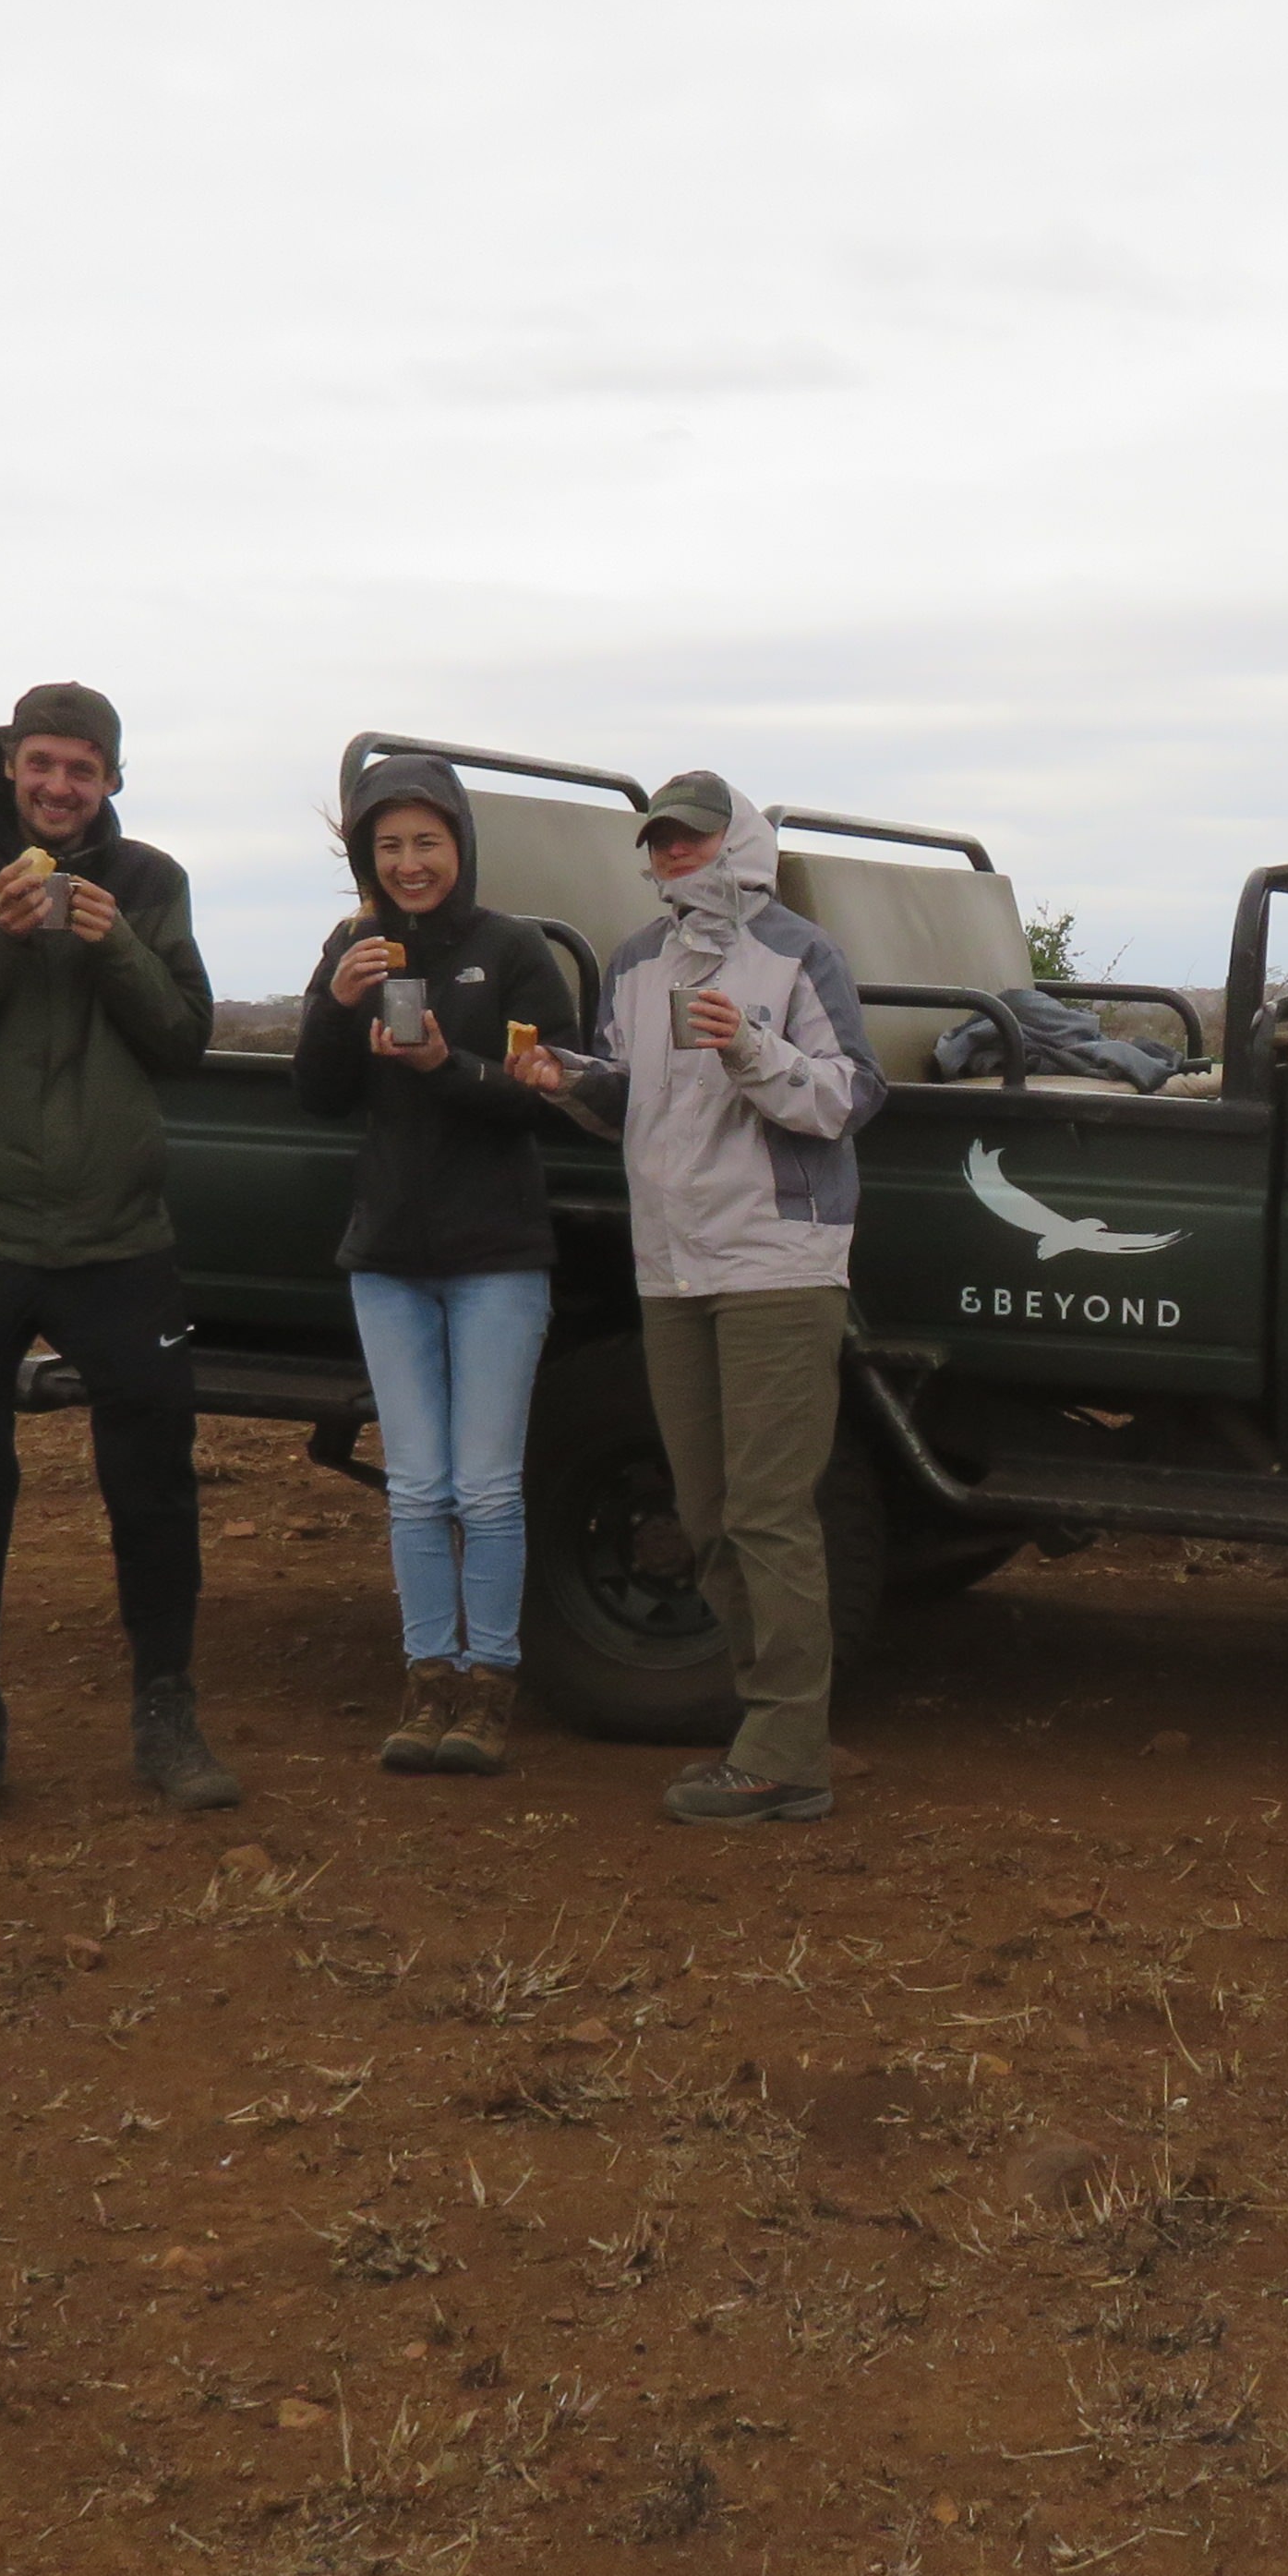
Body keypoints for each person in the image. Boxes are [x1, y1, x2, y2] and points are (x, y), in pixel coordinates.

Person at [0, 681, 241, 1828]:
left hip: (117, 1232)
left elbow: (183, 1037)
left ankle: (166, 1708)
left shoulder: (150, 884)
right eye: (42, 764)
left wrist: (116, 943)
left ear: (111, 782)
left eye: (83, 769)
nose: (59, 787)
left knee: (154, 1475)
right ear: (10, 765)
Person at [508, 770, 882, 1824]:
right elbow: (633, 1095)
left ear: (738, 842)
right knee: (710, 1511)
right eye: (663, 841)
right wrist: (568, 1081)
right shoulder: (636, 961)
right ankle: (768, 1726)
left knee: (769, 1511)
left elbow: (850, 1096)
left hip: (776, 1260)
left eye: (694, 838)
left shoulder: (801, 955)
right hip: (671, 1265)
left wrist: (750, 1046)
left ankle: (786, 1748)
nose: (677, 855)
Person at [298, 755, 582, 1776]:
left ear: (460, 844)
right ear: (366, 857)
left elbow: (552, 1087)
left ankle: (490, 1689)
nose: (410, 864)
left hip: (496, 1252)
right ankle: (428, 1685)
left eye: (426, 841)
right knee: (418, 1487)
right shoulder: (353, 947)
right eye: (389, 846)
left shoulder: (511, 951)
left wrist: (444, 1068)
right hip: (387, 1257)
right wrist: (336, 1001)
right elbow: (319, 1093)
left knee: (488, 1489)